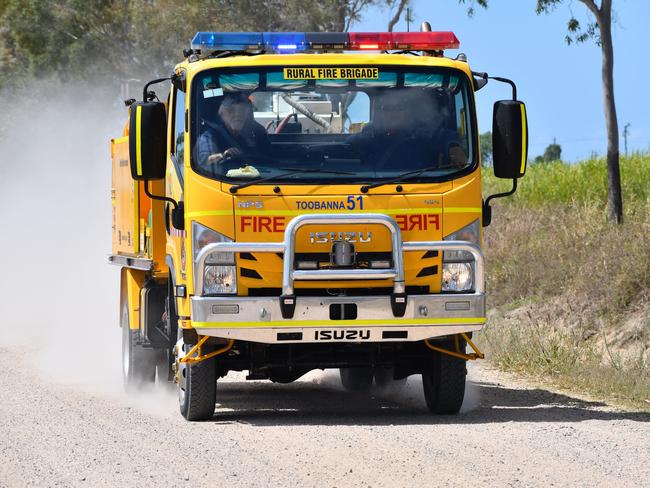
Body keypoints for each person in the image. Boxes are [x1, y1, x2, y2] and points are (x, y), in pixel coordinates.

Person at [347, 89, 466, 171]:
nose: (393, 112)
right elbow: (346, 146)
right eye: (387, 108)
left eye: (400, 107)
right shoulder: (368, 136)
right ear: (379, 112)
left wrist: (454, 147)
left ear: (408, 111)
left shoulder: (421, 132)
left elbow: (447, 137)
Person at [197, 92, 271, 169]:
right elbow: (204, 160)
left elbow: (268, 160)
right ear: (222, 114)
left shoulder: (254, 134)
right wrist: (223, 155)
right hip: (220, 179)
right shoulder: (209, 136)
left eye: (242, 110)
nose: (237, 114)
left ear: (247, 113)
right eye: (231, 110)